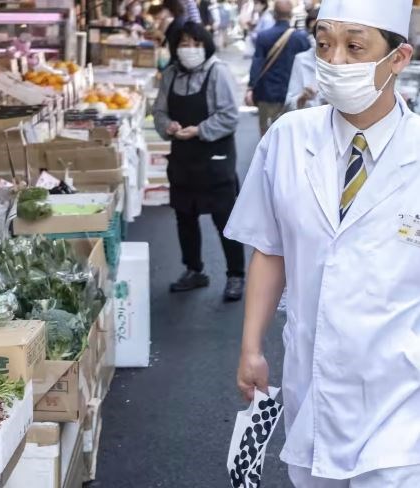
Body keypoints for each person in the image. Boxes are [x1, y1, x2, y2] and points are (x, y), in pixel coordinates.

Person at [225, 0, 420, 485]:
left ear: (398, 58)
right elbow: (270, 248)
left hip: (403, 391)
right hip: (310, 382)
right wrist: (252, 345)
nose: (334, 61)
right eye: (325, 43)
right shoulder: (288, 139)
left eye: (355, 47)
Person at [152, 21, 245, 301]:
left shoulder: (218, 72)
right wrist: (167, 126)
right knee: (185, 217)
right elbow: (158, 111)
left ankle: (235, 275)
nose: (190, 49)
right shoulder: (170, 75)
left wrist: (200, 130)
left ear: (205, 45)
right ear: (175, 47)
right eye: (184, 44)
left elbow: (230, 115)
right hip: (182, 159)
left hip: (215, 159)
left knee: (224, 219)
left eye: (196, 43)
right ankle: (194, 270)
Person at [245, 0, 311, 134]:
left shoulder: (263, 36)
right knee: (292, 135)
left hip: (267, 93)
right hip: (294, 94)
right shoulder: (301, 38)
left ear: (274, 14)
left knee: (267, 136)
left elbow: (256, 64)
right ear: (291, 14)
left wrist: (251, 87)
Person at [284, 7, 321, 111]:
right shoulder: (301, 59)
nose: (317, 37)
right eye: (312, 31)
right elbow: (289, 102)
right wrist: (302, 98)